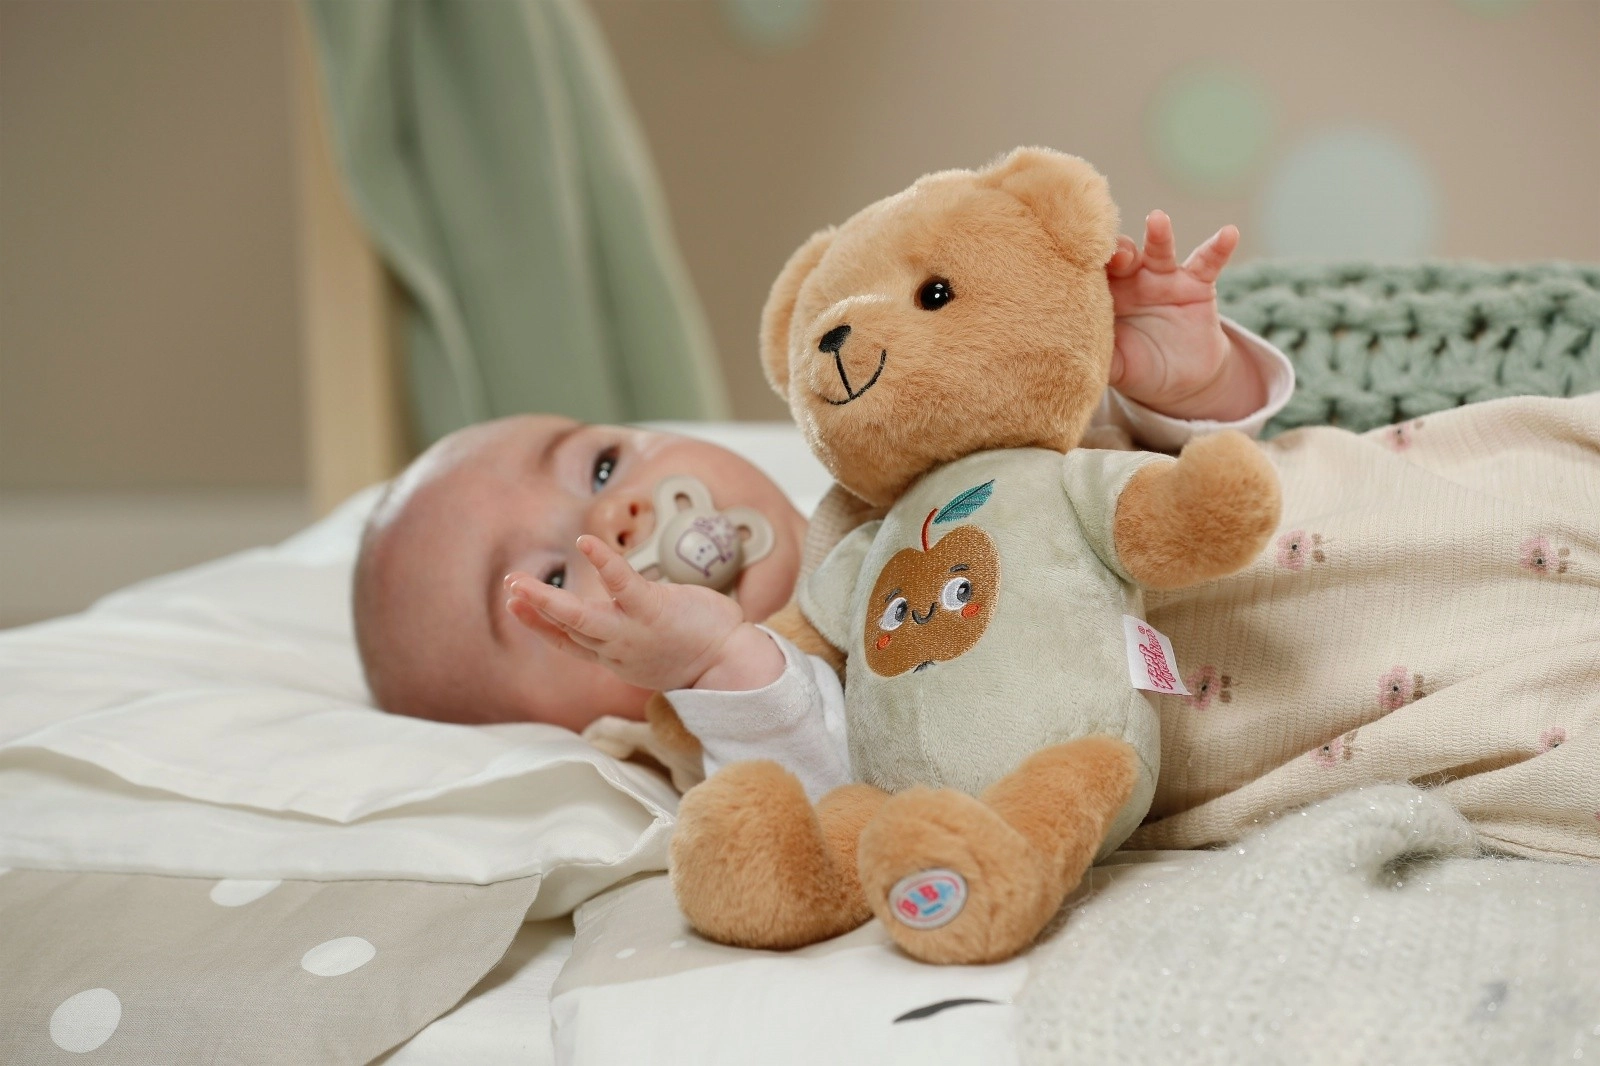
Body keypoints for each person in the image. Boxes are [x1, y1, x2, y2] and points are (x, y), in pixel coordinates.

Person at [357, 211, 1291, 736]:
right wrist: (714, 668)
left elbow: (1168, 468)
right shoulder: (748, 728)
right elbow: (824, 773)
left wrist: (1185, 385)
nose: (619, 518)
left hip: (1295, 537)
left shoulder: (896, 469)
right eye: (556, 578)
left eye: (601, 465)